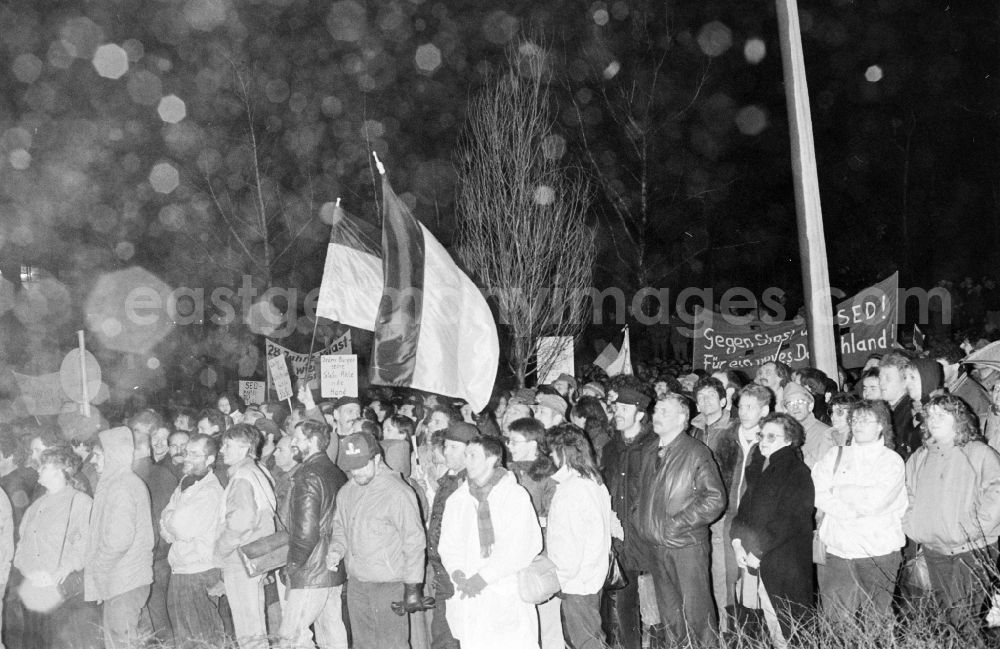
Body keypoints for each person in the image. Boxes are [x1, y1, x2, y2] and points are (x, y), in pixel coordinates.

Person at [903, 394, 1000, 635]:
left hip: (974, 548)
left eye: (942, 414)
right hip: (935, 548)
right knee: (948, 616)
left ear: (958, 418)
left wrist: (972, 528)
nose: (934, 420)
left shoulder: (979, 453)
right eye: (930, 415)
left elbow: (997, 493)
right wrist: (914, 526)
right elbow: (907, 494)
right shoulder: (920, 457)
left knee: (963, 615)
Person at [635, 393, 726, 647]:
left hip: (686, 546)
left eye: (665, 411)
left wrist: (676, 524)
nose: (657, 416)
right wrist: (640, 519)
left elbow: (715, 499)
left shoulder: (696, 452)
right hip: (657, 546)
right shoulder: (650, 450)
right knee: (670, 617)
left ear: (682, 418)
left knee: (698, 617)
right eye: (657, 410)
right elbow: (640, 493)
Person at [438, 436, 543, 649]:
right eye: (466, 456)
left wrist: (485, 577)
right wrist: (457, 572)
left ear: (492, 458)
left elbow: (522, 546)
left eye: (473, 456)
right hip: (470, 593)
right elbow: (448, 544)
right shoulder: (458, 500)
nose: (467, 461)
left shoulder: (514, 496)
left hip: (505, 592)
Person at [327, 431, 429, 649]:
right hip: (356, 584)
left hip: (388, 584)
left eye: (361, 465)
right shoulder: (346, 492)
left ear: (376, 458)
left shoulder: (398, 493)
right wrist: (336, 549)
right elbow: (340, 527)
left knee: (392, 645)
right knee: (363, 645)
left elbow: (414, 540)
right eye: (351, 467)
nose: (356, 473)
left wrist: (412, 587)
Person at [811, 400, 906, 621]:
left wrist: (838, 490)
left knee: (877, 621)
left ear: (881, 425)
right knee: (835, 623)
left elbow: (874, 502)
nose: (858, 425)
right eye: (855, 420)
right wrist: (849, 507)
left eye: (866, 420)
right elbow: (816, 492)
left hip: (877, 553)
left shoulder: (891, 461)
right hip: (837, 552)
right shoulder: (835, 454)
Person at [731, 413, 814, 648]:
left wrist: (757, 551)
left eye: (771, 436)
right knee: (770, 623)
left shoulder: (796, 472)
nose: (763, 440)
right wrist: (737, 541)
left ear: (789, 440)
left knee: (788, 627)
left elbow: (790, 519)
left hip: (783, 562)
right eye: (761, 435)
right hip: (757, 558)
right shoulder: (759, 467)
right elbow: (744, 510)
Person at [280, 418, 349, 649]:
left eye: (298, 439)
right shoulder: (336, 472)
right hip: (331, 566)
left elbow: (305, 532)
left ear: (314, 441)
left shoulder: (307, 474)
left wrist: (293, 565)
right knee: (331, 632)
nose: (293, 444)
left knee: (291, 635)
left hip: (311, 569)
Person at [14, 446, 92, 649]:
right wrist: (29, 572)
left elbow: (83, 546)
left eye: (44, 466)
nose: (38, 470)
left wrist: (59, 572)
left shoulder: (80, 502)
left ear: (61, 471)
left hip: (61, 594)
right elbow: (21, 545)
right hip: (32, 592)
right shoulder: (36, 506)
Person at [85, 426, 155, 649]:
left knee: (121, 644)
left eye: (97, 454)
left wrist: (99, 568)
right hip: (124, 579)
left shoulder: (121, 487)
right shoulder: (119, 483)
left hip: (123, 580)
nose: (92, 461)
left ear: (112, 454)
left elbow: (119, 540)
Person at [546, 425, 612, 649]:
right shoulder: (593, 481)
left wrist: (560, 577)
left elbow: (569, 543)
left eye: (553, 451)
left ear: (563, 452)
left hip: (577, 581)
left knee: (586, 642)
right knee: (591, 636)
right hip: (590, 576)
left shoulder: (571, 490)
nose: (551, 457)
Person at [159, 433, 226, 647]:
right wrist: (172, 523)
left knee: (203, 639)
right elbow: (166, 522)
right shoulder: (186, 483)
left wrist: (171, 522)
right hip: (182, 570)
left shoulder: (209, 491)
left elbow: (179, 526)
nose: (187, 457)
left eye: (195, 454)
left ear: (210, 460)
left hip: (198, 573)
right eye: (187, 452)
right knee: (185, 639)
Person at [599, 388, 654, 649]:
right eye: (616, 408)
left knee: (656, 605)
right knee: (625, 603)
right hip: (620, 537)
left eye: (624, 408)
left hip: (648, 538)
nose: (617, 413)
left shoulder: (655, 445)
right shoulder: (611, 448)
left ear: (640, 413)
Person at [215, 424, 276, 649]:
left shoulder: (242, 476)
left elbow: (240, 522)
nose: (222, 450)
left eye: (228, 445)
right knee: (253, 625)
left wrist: (219, 550)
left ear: (244, 448)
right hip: (253, 557)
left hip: (240, 559)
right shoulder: (257, 471)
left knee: (248, 629)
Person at [505, 418, 560, 649]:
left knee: (547, 620)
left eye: (515, 441)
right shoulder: (506, 472)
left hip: (539, 557)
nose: (509, 446)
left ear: (533, 443)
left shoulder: (548, 474)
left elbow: (556, 517)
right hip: (512, 556)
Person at [426, 422, 476, 649]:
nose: (446, 452)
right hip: (443, 570)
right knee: (443, 634)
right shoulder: (448, 480)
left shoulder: (473, 484)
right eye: (446, 446)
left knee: (450, 637)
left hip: (460, 573)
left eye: (454, 447)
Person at [131, 422, 180, 646]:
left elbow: (157, 519)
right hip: (158, 555)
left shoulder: (151, 475)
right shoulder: (158, 472)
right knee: (160, 614)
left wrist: (150, 553)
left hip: (154, 557)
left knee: (160, 615)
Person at [781, 382, 837, 469]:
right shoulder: (781, 434)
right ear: (785, 410)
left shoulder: (827, 434)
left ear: (810, 406)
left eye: (800, 402)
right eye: (790, 403)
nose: (795, 407)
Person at [879, 353, 919, 458]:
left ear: (904, 381)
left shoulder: (912, 412)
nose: (881, 383)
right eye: (880, 378)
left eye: (888, 378)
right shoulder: (883, 410)